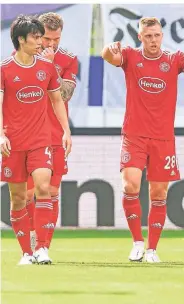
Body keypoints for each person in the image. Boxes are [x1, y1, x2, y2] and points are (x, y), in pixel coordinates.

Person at [101, 16, 184, 263]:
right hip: (134, 135)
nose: (153, 40)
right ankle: (137, 242)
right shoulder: (130, 56)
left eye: (156, 35)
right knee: (130, 185)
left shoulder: (173, 59)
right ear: (140, 37)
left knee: (159, 193)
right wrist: (109, 48)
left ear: (162, 36)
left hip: (163, 138)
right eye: (148, 36)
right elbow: (109, 57)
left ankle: (152, 249)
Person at [0, 15, 72, 265]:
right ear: (21, 39)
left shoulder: (47, 68)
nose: (41, 42)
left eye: (42, 36)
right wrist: (0, 135)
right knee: (19, 198)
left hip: (41, 141)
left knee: (44, 188)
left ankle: (42, 248)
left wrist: (66, 130)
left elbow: (56, 99)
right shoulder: (4, 69)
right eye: (36, 37)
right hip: (13, 144)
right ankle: (25, 253)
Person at [25, 12, 78, 253]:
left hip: (54, 135)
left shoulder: (68, 59)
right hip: (26, 135)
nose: (51, 44)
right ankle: (31, 241)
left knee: (52, 191)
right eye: (47, 38)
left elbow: (65, 94)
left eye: (56, 39)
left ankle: (44, 246)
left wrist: (50, 66)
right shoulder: (22, 58)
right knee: (26, 194)